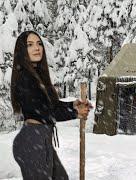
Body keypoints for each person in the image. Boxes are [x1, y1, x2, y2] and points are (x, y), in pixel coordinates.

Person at [10, 31, 92, 180]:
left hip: (41, 139)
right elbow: (44, 112)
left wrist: (73, 105)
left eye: (39, 43)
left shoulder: (37, 75)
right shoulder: (25, 78)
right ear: (22, 50)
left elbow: (51, 105)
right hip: (32, 140)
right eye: (30, 45)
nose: (37, 48)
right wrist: (75, 113)